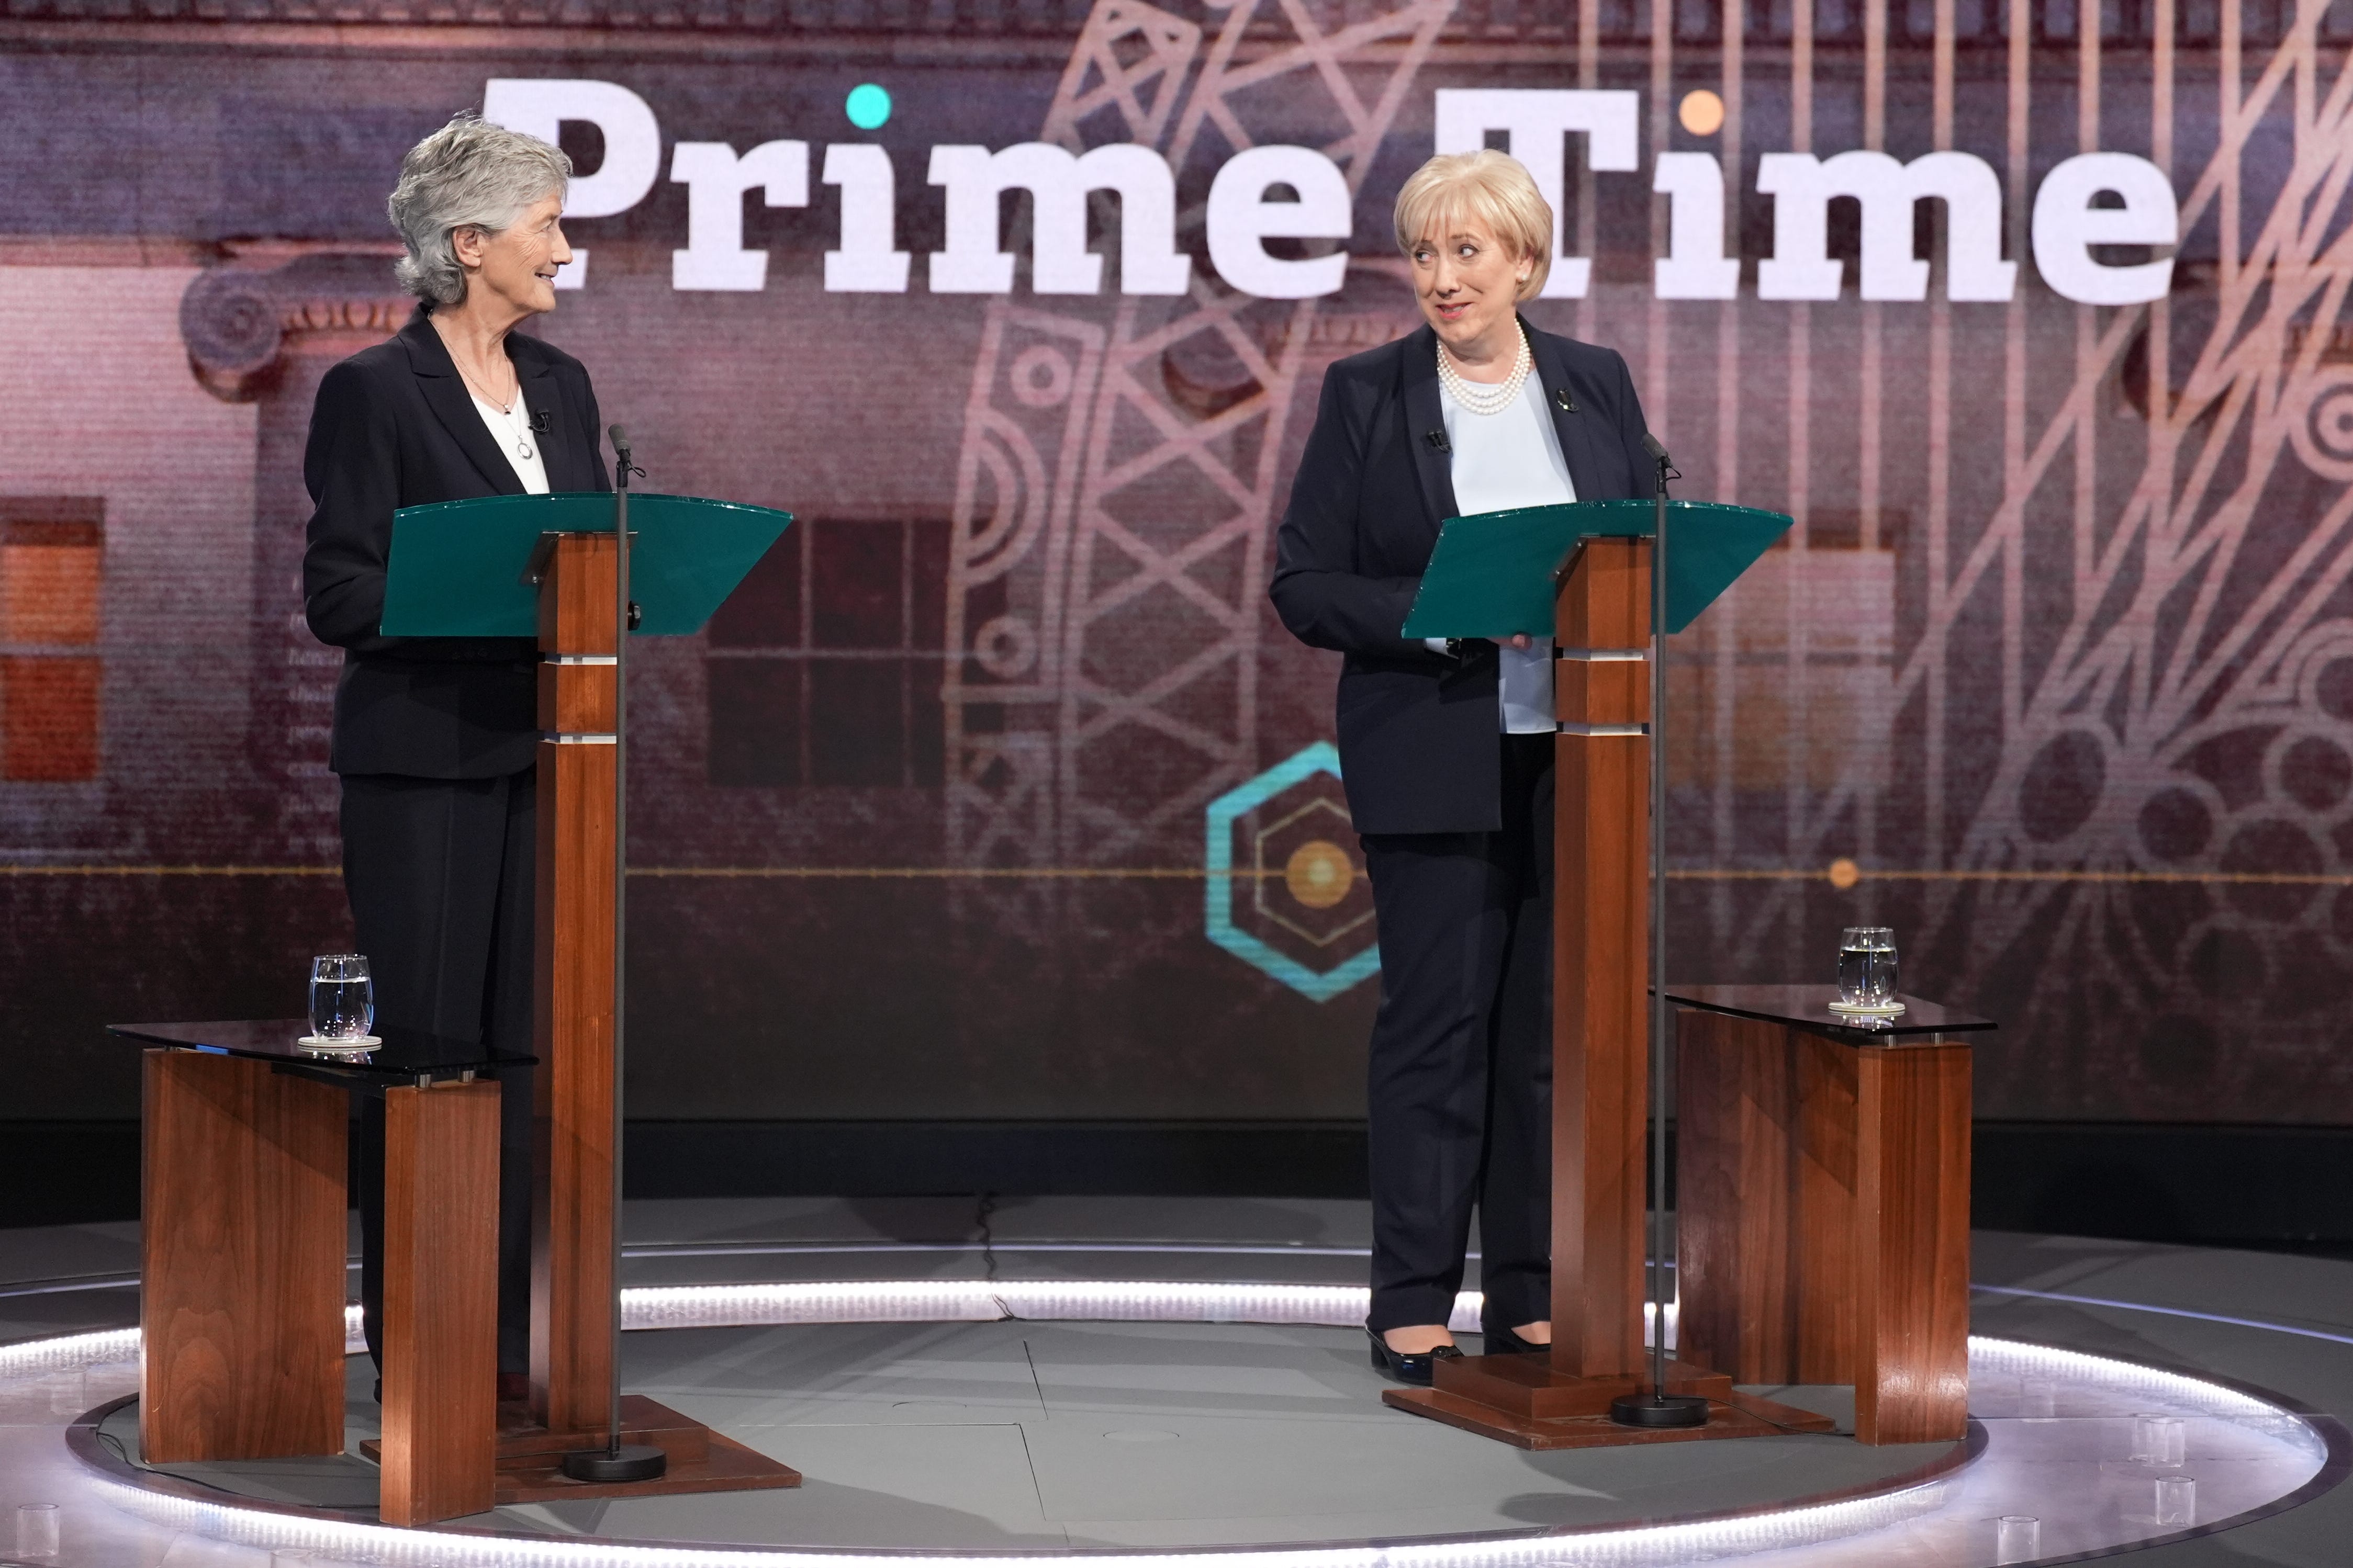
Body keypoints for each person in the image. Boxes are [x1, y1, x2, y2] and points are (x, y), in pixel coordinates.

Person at [1268, 150, 1656, 1386]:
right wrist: (1444, 612)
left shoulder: (1594, 384)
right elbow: (1304, 582)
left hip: (1580, 750)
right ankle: (1413, 1296)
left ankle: (1531, 1290)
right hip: (1432, 746)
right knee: (1438, 1025)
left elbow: (1640, 550)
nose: (1441, 276)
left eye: (1467, 252)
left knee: (1545, 1032)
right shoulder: (1367, 394)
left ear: (1524, 262)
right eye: (1425, 253)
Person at [302, 111, 610, 1400]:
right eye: (545, 223)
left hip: (555, 762)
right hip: (424, 764)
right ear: (466, 241)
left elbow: (592, 565)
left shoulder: (565, 387)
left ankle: (514, 1346)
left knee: (535, 1050)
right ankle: (421, 1346)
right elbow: (339, 593)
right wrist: (470, 588)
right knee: (431, 1053)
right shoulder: (374, 391)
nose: (565, 245)